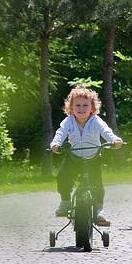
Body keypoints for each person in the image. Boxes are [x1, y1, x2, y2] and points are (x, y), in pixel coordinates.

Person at [50, 86, 124, 227]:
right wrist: (55, 144)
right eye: (77, 105)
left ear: (92, 107)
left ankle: (98, 210)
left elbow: (106, 131)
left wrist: (114, 140)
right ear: (71, 107)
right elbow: (60, 133)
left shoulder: (95, 121)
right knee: (63, 177)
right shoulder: (69, 121)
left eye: (85, 105)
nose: (81, 108)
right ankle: (65, 201)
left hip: (93, 158)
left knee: (97, 184)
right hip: (73, 157)